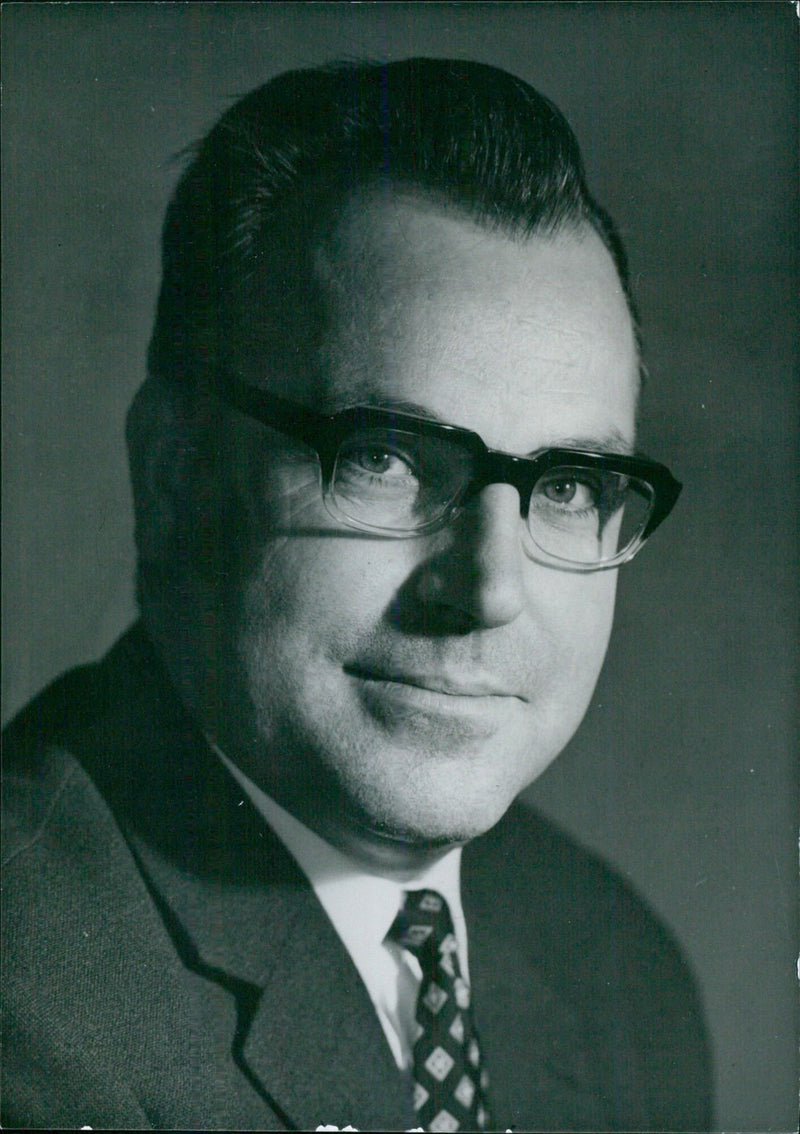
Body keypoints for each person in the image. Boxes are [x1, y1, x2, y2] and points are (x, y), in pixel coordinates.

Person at [2, 58, 712, 1131]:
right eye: (385, 457)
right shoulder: (32, 1012)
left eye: (566, 486)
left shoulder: (617, 972)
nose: (487, 590)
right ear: (174, 473)